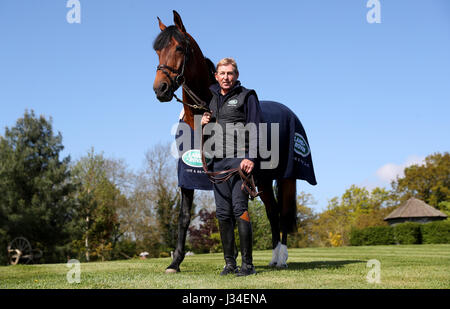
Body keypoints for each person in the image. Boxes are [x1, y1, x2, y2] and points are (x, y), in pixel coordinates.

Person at [201, 58, 262, 276]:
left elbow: (255, 126)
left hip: (239, 161)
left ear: (236, 75)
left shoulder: (247, 96)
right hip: (218, 163)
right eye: (222, 73)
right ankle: (230, 264)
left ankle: (248, 265)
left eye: (230, 73)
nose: (226, 77)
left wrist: (251, 157)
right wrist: (204, 124)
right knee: (223, 214)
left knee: (240, 209)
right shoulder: (212, 99)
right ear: (216, 76)